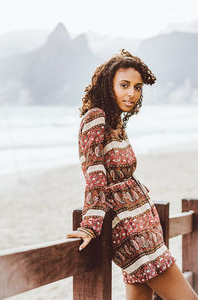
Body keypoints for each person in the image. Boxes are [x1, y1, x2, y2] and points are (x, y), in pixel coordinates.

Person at [66, 49, 198, 300]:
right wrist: (90, 227)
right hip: (128, 230)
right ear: (109, 86)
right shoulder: (95, 118)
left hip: (144, 223)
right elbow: (95, 177)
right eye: (124, 85)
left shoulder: (116, 122)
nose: (132, 93)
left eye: (137, 87)